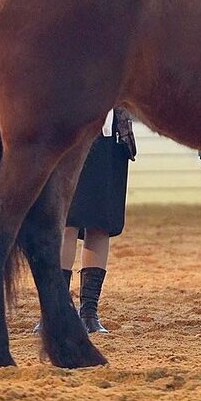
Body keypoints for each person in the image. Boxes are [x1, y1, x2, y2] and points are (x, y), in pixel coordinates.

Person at [55, 108, 135, 334]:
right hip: (66, 130)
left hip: (109, 134)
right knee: (65, 222)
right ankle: (55, 309)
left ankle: (89, 312)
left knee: (101, 223)